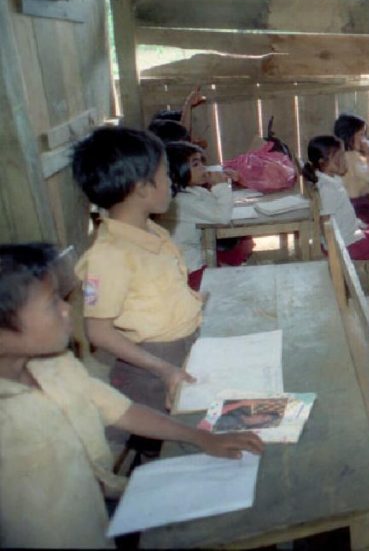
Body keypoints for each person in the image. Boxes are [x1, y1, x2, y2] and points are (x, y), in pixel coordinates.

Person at [0, 243, 263, 548]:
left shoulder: (56, 366)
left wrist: (199, 437)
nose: (66, 308)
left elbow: (122, 410)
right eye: (51, 303)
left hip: (94, 520)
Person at [71, 127, 201, 413]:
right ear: (142, 188)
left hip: (184, 349)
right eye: (165, 174)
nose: (171, 182)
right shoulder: (108, 257)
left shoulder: (153, 230)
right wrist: (162, 368)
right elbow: (98, 332)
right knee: (177, 436)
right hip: (151, 369)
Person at [160, 141, 252, 291]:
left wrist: (217, 183)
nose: (203, 168)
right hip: (189, 270)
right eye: (195, 164)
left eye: (202, 162)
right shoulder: (181, 201)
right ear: (177, 170)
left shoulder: (191, 191)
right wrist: (221, 186)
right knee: (238, 285)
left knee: (243, 243)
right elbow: (221, 217)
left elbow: (212, 206)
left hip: (197, 258)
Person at [301, 134, 369, 264]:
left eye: (343, 155)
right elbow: (325, 223)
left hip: (348, 236)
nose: (344, 161)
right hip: (346, 245)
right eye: (338, 158)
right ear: (323, 163)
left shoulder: (328, 179)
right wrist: (334, 252)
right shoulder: (328, 190)